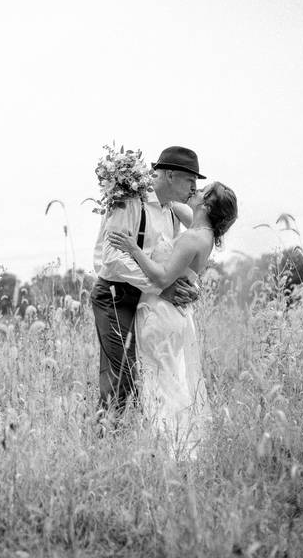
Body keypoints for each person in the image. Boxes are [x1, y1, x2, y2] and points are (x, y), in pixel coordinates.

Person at [108, 181, 238, 456]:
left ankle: (173, 450)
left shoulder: (193, 237)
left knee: (160, 382)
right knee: (169, 378)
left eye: (202, 191)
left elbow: (162, 277)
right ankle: (178, 447)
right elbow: (169, 201)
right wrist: (141, 181)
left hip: (161, 312)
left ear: (208, 205)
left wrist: (134, 248)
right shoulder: (204, 231)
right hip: (175, 316)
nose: (195, 191)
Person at [90, 146, 204, 419]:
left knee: (147, 374)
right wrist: (162, 287)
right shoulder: (130, 201)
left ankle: (136, 440)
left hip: (147, 302)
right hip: (115, 298)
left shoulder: (172, 212)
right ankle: (108, 441)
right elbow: (111, 257)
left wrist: (190, 287)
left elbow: (191, 246)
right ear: (169, 176)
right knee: (122, 377)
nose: (193, 187)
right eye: (190, 180)